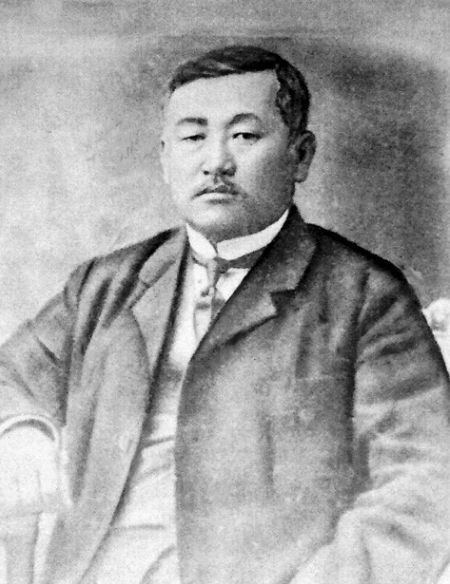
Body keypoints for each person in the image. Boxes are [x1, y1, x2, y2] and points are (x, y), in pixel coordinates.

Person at [0, 45, 448, 584]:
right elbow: (11, 376)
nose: (216, 161)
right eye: (193, 137)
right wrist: (20, 431)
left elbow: (426, 482)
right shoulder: (106, 284)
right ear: (165, 158)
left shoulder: (366, 295)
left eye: (244, 136)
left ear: (300, 155)